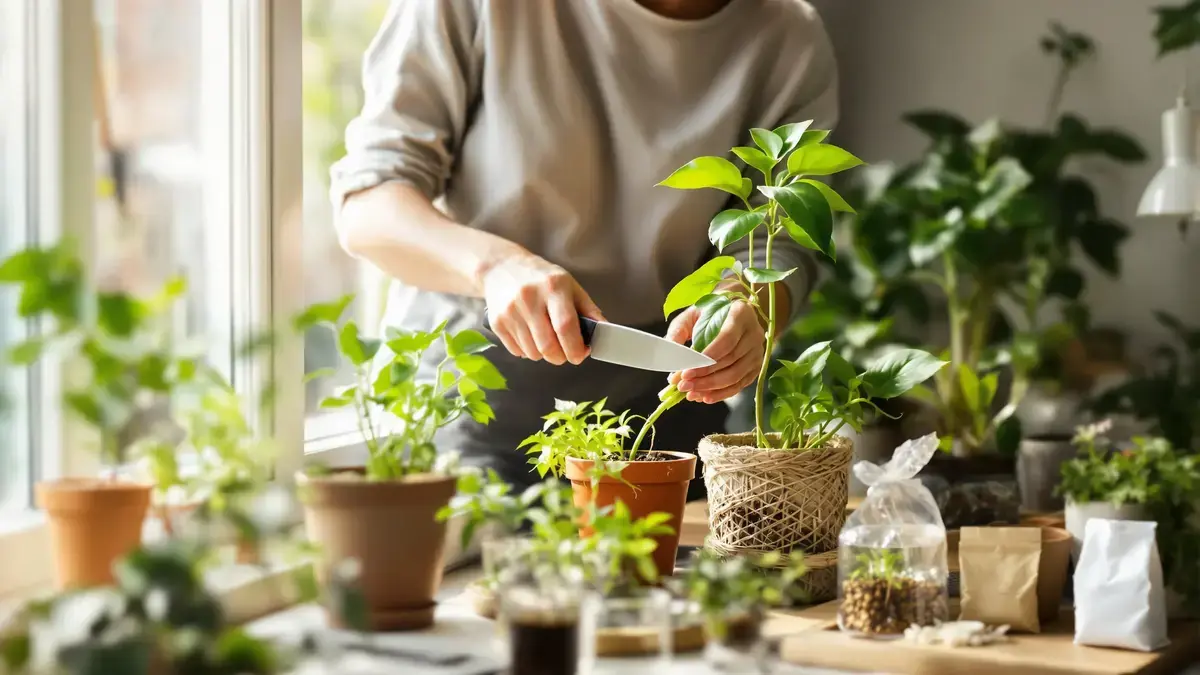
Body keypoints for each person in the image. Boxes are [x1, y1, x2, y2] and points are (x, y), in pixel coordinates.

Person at [331, 0, 838, 496]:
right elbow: (370, 205)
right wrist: (497, 267)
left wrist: (743, 303)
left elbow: (781, 244)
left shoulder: (786, 36)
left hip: (660, 436)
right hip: (468, 419)